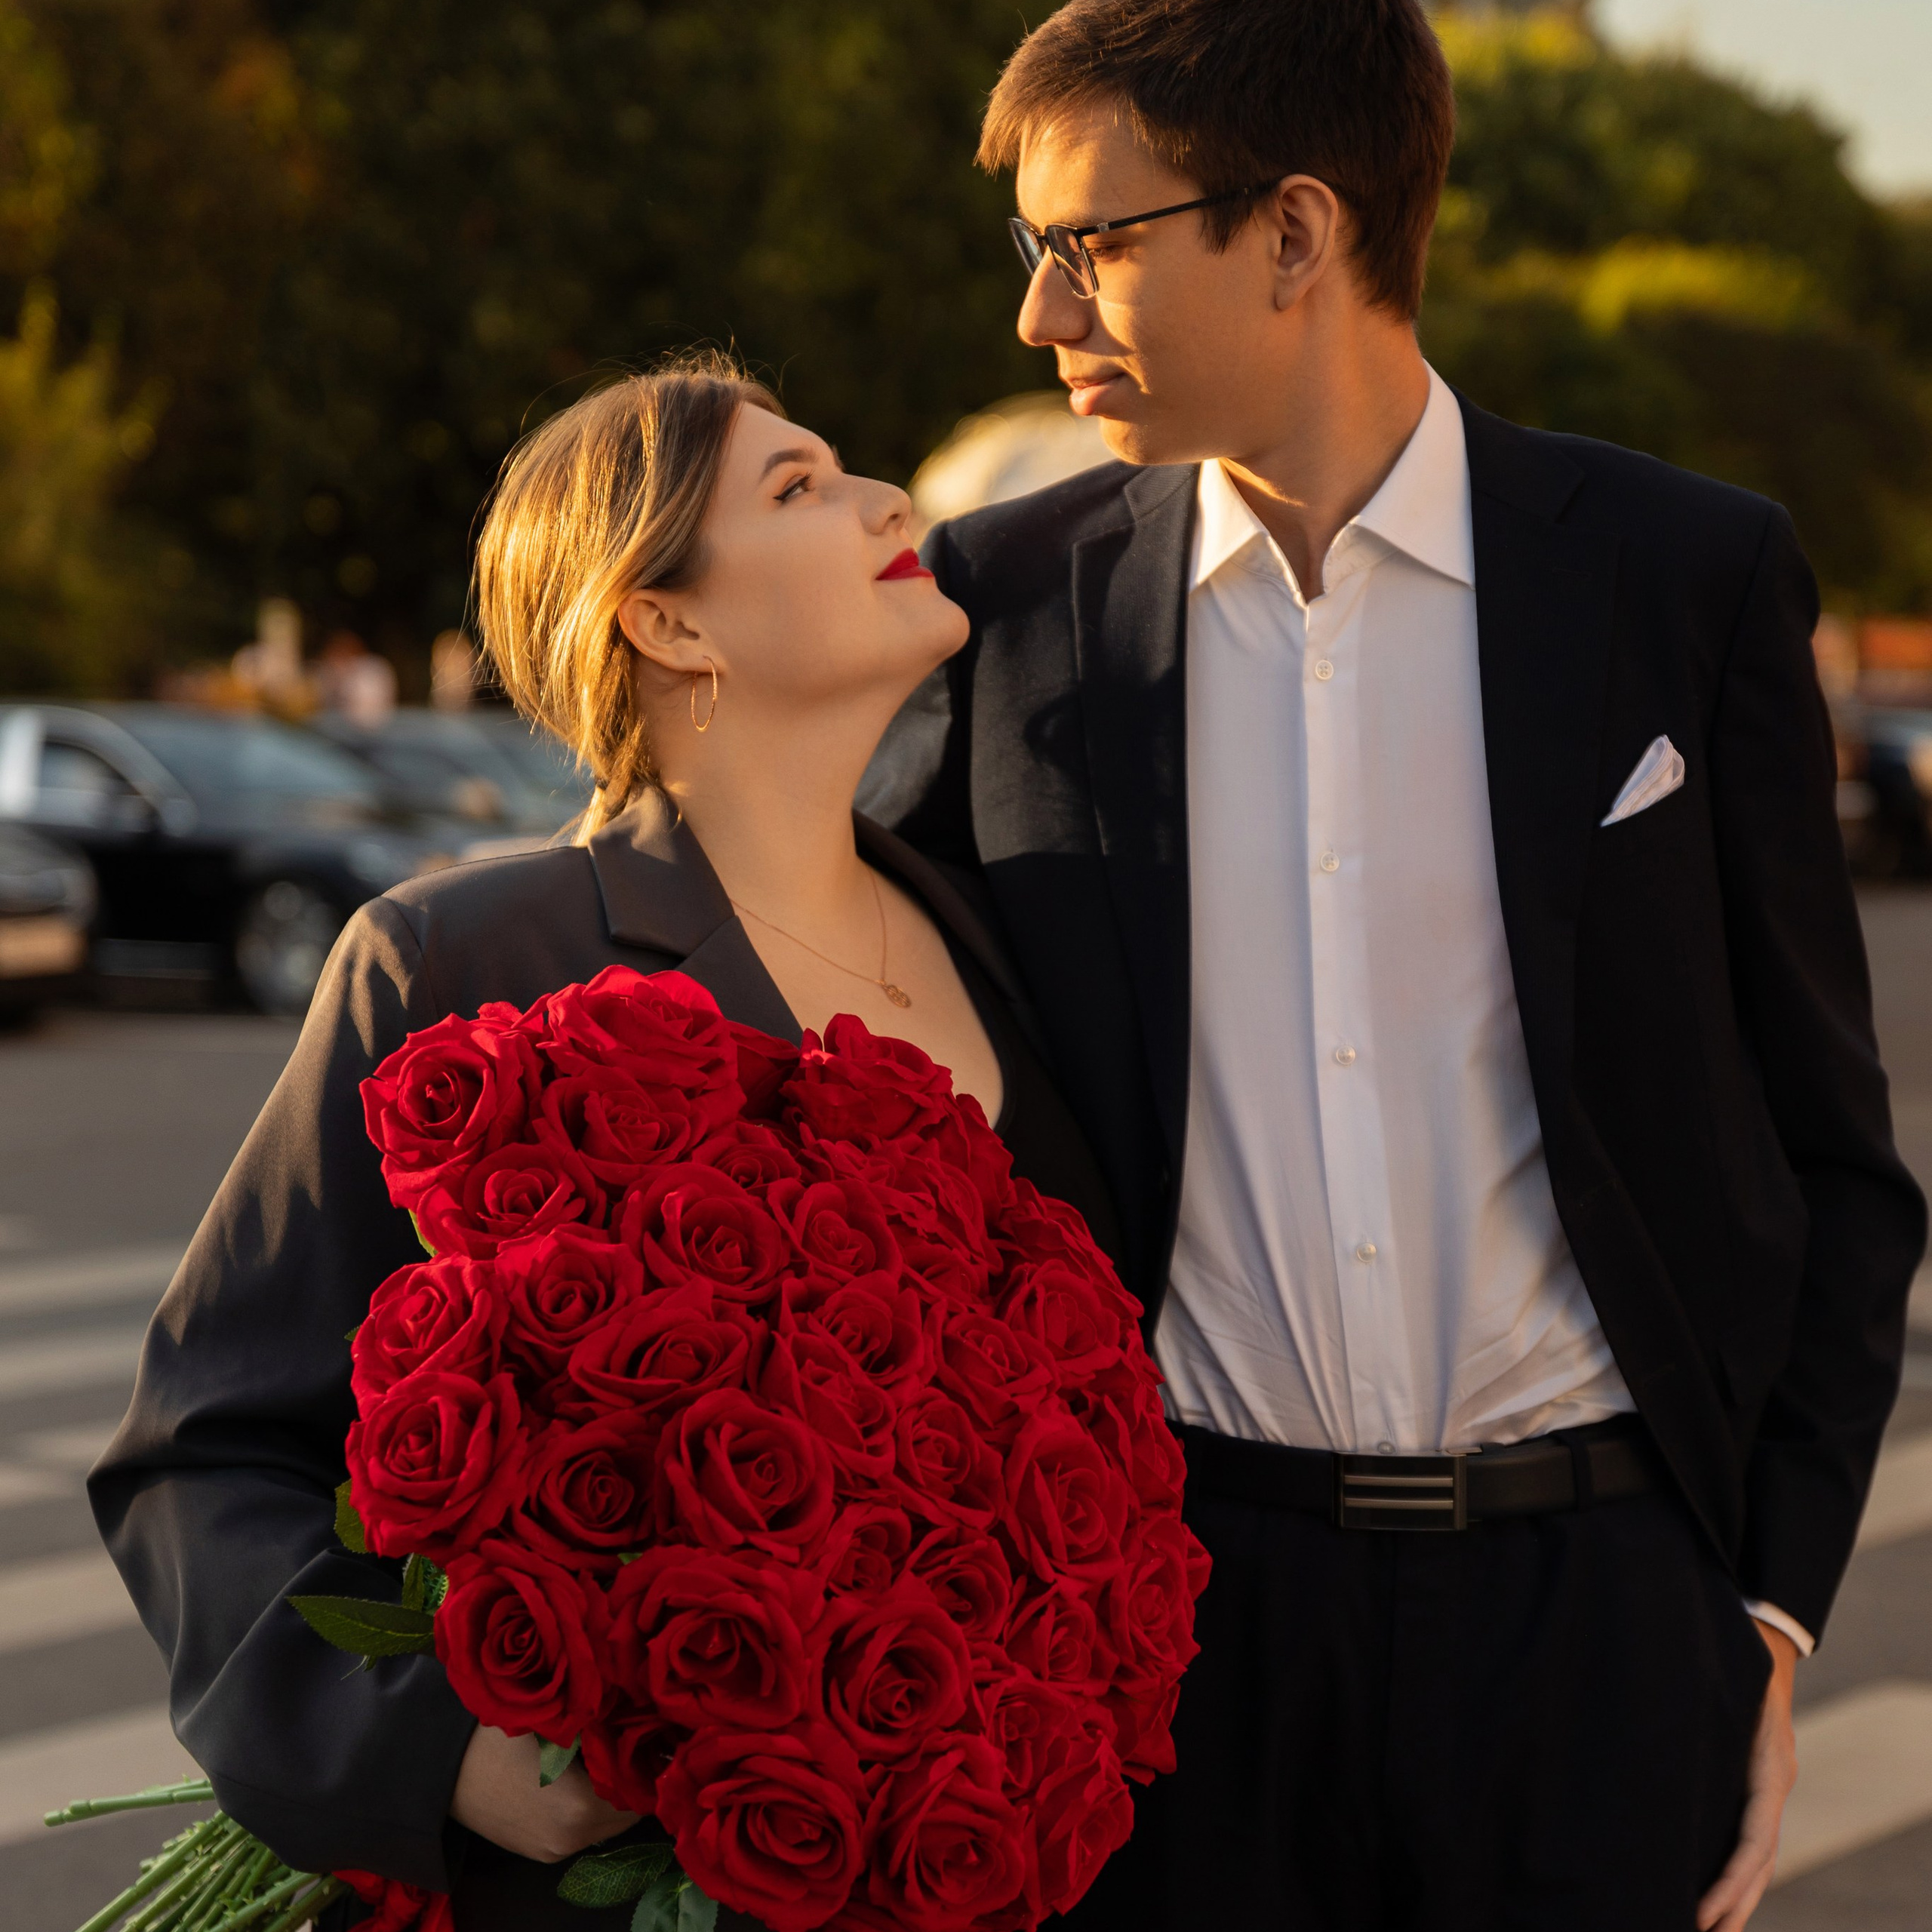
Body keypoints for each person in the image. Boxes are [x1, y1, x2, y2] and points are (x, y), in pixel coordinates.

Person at [859, 3, 1928, 1928]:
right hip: (1178, 1629)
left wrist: (1759, 1615)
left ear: (1293, 232)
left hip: (1591, 1633)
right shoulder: (1003, 609)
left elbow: (1829, 1154)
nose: (1038, 316)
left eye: (1089, 244)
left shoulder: (1683, 576)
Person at [89, 354, 1124, 1931]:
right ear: (668, 620)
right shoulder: (465, 955)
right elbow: (208, 1447)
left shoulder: (994, 930)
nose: (887, 501)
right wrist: (440, 1749)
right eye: (798, 487)